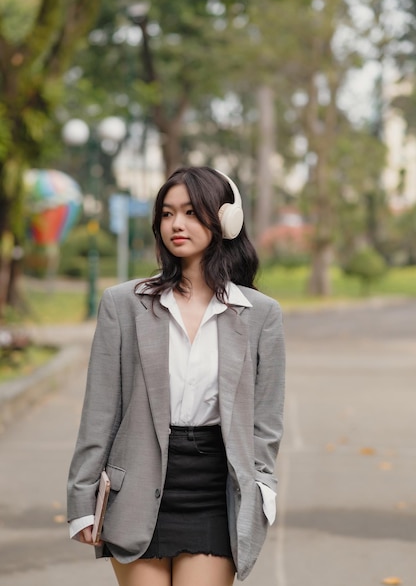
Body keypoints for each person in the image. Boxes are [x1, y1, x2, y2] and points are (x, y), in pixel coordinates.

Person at [67, 166, 285, 585]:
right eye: (167, 214)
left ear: (224, 220)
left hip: (214, 492)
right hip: (136, 489)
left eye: (190, 212)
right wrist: (81, 499)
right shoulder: (122, 305)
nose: (176, 224)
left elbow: (266, 423)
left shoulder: (261, 315)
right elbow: (99, 412)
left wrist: (262, 489)